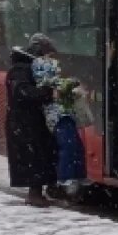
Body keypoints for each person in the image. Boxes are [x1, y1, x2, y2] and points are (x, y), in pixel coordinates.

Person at [5, 34, 58, 207]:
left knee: (40, 155)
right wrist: (47, 93)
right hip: (23, 122)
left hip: (31, 120)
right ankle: (34, 195)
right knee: (34, 157)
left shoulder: (28, 68)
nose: (47, 58)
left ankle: (39, 192)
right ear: (37, 51)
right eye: (46, 54)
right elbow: (23, 92)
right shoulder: (20, 69)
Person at [30, 38, 87, 194]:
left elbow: (56, 84)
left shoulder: (45, 65)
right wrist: (71, 83)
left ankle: (77, 176)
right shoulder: (41, 65)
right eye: (50, 53)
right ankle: (65, 179)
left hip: (64, 112)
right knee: (68, 145)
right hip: (57, 114)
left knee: (76, 145)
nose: (53, 58)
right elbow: (51, 83)